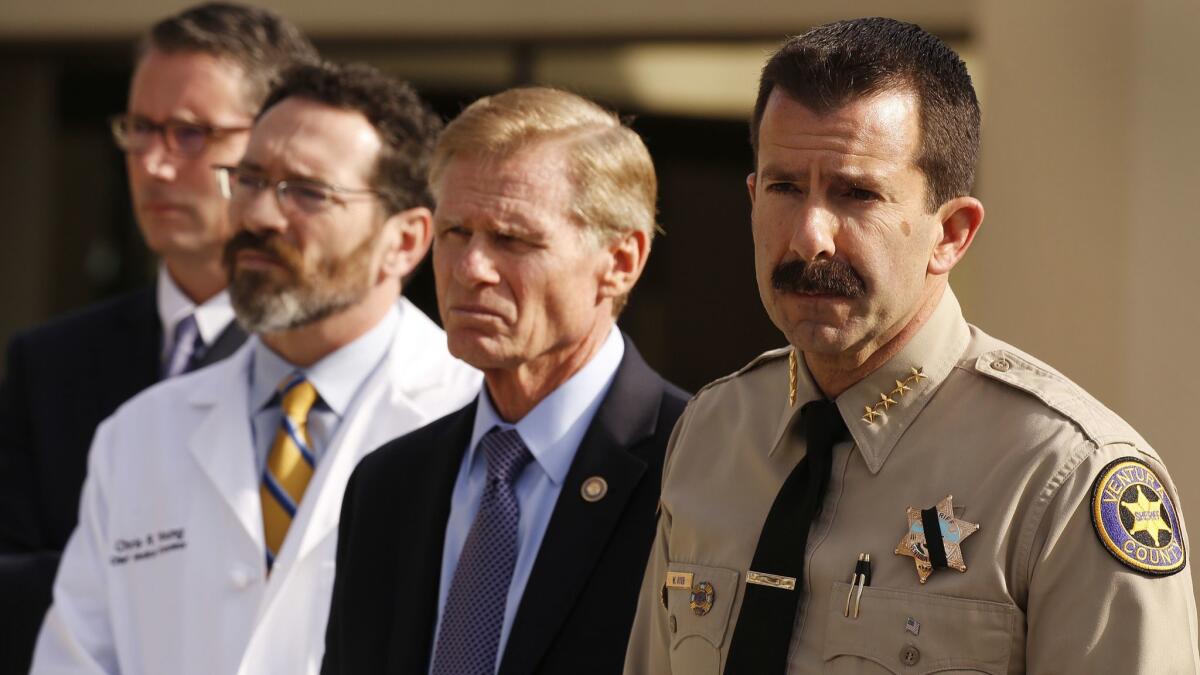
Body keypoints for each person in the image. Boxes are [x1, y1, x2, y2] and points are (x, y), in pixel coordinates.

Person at [624, 17, 1199, 675]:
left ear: (951, 232)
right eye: (785, 188)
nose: (810, 236)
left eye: (856, 193)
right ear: (753, 200)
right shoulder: (713, 430)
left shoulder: (1059, 476)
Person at [29, 60, 481, 675]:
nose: (259, 216)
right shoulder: (137, 435)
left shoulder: (476, 425)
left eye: (308, 192)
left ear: (404, 241)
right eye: (248, 179)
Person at [321, 86, 688, 675]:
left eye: (513, 239)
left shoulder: (697, 473)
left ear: (620, 262)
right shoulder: (388, 485)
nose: (470, 269)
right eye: (455, 233)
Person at [0, 5, 316, 668]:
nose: (154, 164)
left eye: (190, 133)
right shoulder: (50, 362)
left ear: (278, 143)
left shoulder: (332, 359)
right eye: (140, 129)